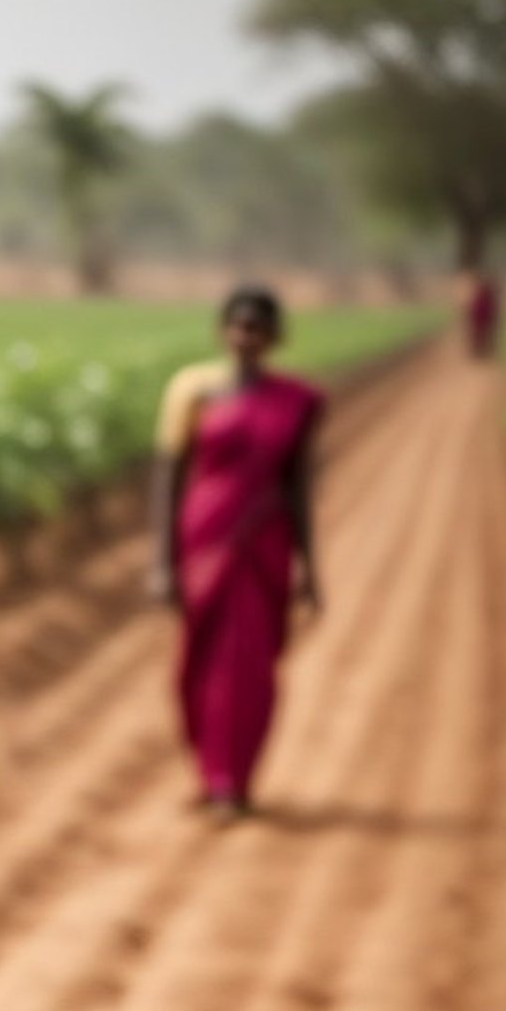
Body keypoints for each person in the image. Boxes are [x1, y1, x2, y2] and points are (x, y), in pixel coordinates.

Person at [148, 284, 324, 820]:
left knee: (249, 670)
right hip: (202, 542)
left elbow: (297, 487)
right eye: (239, 324)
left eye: (258, 326)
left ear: (275, 336)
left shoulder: (297, 403)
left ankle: (232, 782)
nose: (247, 335)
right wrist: (161, 562)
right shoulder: (194, 394)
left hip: (263, 546)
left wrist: (310, 570)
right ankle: (208, 771)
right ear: (224, 330)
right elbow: (169, 478)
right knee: (195, 665)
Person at [463, 267, 502, 359]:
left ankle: (480, 351)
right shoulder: (487, 292)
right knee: (481, 333)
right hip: (482, 314)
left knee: (481, 333)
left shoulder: (484, 292)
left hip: (482, 314)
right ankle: (479, 351)